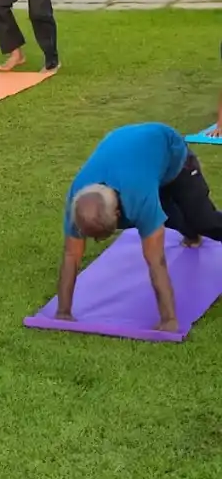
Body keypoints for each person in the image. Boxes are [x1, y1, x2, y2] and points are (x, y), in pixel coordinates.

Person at [57, 123, 222, 334]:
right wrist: (63, 312)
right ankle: (191, 234)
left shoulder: (138, 196)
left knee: (203, 221)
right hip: (137, 157)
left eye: (103, 235)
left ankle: (195, 228)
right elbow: (71, 255)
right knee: (173, 220)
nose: (97, 242)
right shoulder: (79, 203)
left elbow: (156, 261)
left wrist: (169, 319)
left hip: (171, 156)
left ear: (119, 213)